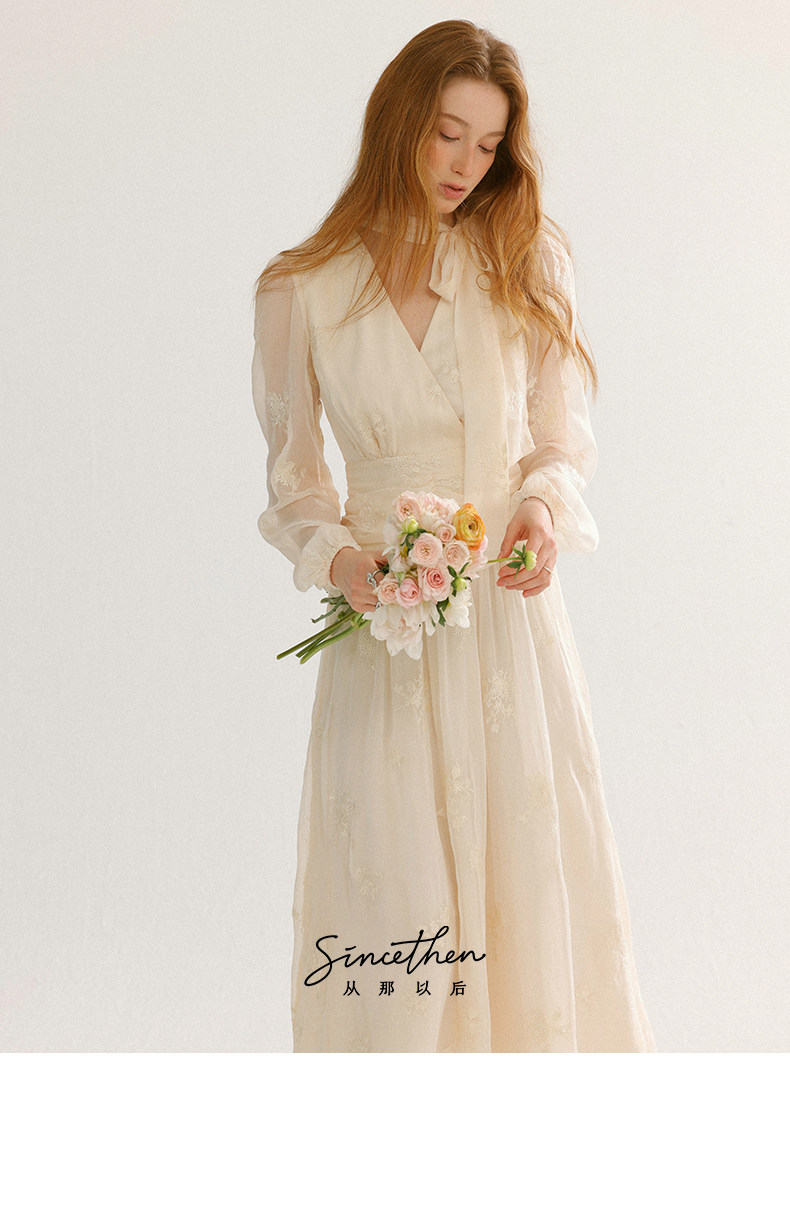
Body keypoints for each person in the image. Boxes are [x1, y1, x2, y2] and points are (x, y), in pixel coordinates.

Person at [251, 19, 657, 1052]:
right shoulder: (303, 288)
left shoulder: (524, 257)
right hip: (381, 642)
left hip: (506, 633)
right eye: (447, 134)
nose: (467, 165)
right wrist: (346, 562)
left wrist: (539, 509)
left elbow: (559, 441)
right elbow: (296, 482)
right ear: (398, 120)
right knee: (393, 902)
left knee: (524, 892)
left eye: (488, 145)